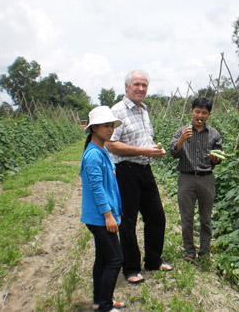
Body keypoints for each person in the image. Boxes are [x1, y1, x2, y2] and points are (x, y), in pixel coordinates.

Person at [106, 69, 173, 285]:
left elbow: (143, 140)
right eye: (137, 84)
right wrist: (144, 151)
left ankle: (153, 260)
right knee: (128, 222)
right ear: (126, 87)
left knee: (156, 217)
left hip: (145, 170)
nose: (141, 89)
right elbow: (110, 144)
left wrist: (153, 149)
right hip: (125, 172)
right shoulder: (117, 111)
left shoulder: (144, 110)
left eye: (144, 85)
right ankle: (131, 267)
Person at [80, 106, 125, 312]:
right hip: (100, 218)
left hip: (103, 216)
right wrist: (108, 216)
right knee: (116, 260)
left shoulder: (102, 150)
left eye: (112, 125)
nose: (110, 129)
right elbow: (97, 188)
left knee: (103, 258)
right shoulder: (93, 156)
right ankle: (105, 307)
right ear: (94, 128)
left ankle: (100, 300)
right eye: (106, 126)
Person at [169, 97, 223, 261]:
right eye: (197, 111)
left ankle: (205, 252)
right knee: (187, 218)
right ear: (192, 111)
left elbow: (219, 157)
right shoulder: (182, 131)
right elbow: (173, 153)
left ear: (209, 115)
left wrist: (215, 159)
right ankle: (189, 251)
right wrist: (181, 141)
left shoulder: (214, 134)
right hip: (186, 178)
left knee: (205, 219)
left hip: (206, 179)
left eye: (204, 112)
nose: (200, 115)